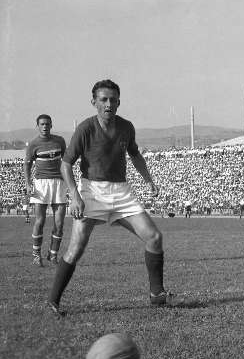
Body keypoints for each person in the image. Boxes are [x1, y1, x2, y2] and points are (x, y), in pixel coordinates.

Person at [46, 79, 179, 316]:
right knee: (76, 248)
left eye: (113, 100)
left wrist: (148, 180)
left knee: (154, 237)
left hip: (121, 193)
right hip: (91, 192)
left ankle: (157, 295)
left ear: (119, 102)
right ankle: (53, 301)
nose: (109, 104)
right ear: (94, 102)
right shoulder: (85, 129)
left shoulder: (126, 127)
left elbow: (135, 155)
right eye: (104, 100)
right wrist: (75, 196)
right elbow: (66, 164)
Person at [24, 114, 68, 266]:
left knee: (59, 223)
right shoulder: (33, 144)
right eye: (42, 124)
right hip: (41, 184)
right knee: (40, 221)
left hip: (59, 182)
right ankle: (36, 255)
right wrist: (28, 184)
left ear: (51, 125)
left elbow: (66, 161)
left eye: (47, 124)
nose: (45, 126)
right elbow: (27, 165)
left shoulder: (59, 141)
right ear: (37, 126)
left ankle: (53, 254)